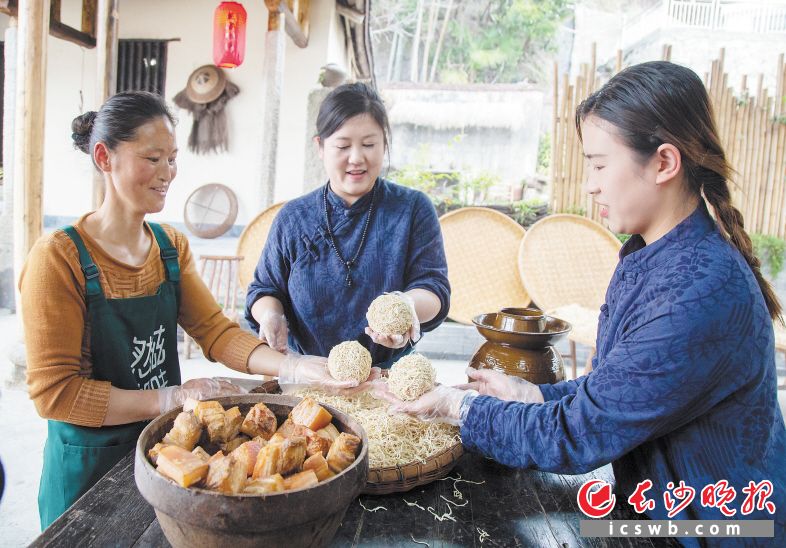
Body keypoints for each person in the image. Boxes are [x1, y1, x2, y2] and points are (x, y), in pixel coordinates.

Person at [376, 61, 786, 542]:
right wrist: (532, 395)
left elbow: (581, 433)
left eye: (599, 164)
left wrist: (457, 408)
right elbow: (620, 390)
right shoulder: (650, 255)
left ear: (664, 163)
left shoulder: (698, 294)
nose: (590, 184)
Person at [20, 91, 366, 529]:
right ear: (105, 157)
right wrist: (172, 397)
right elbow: (56, 393)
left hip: (168, 454)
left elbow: (216, 332)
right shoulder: (60, 257)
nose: (167, 173)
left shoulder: (169, 246)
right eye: (152, 158)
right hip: (89, 466)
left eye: (172, 159)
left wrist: (295, 366)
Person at [245, 82, 450, 368]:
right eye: (342, 146)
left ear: (385, 144)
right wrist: (271, 315)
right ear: (320, 147)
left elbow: (433, 287)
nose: (356, 158)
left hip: (387, 380)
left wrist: (407, 307)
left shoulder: (413, 209)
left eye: (369, 144)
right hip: (310, 374)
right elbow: (264, 289)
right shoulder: (293, 217)